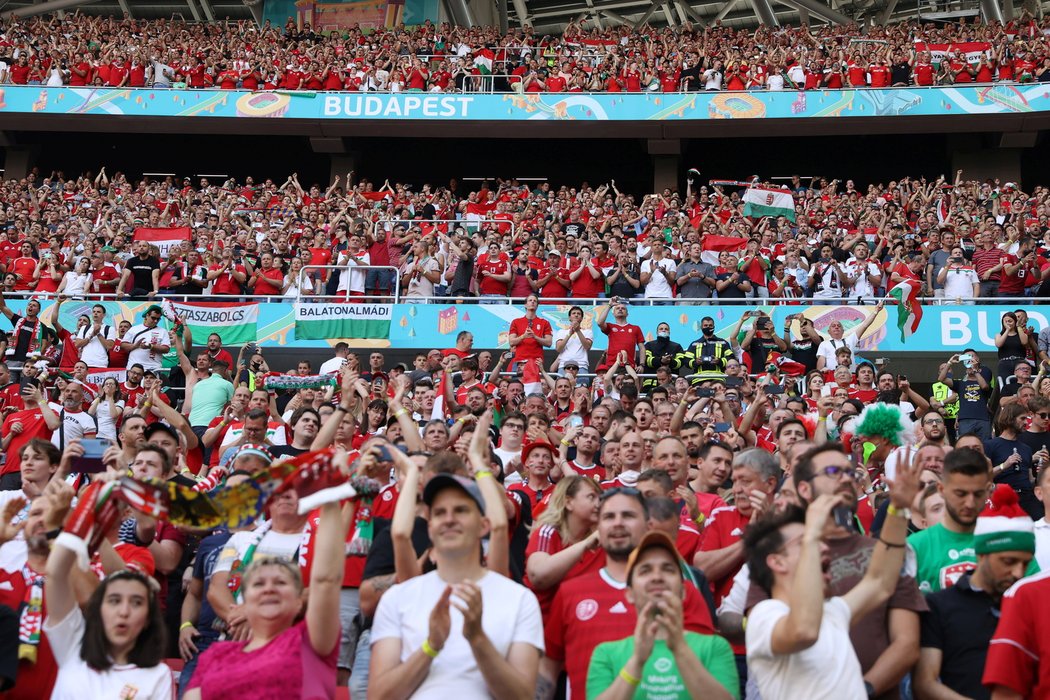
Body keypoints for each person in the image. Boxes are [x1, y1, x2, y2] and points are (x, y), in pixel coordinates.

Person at [743, 443, 920, 700]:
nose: (824, 552)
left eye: (850, 472)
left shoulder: (832, 613)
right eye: (834, 471)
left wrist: (899, 509)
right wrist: (813, 532)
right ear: (777, 563)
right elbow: (804, 629)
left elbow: (881, 581)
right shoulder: (765, 616)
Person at [184, 450, 358, 699]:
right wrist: (244, 615)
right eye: (258, 584)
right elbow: (216, 588)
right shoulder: (240, 539)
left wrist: (332, 485)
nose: (268, 589)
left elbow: (325, 583)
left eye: (280, 582)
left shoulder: (307, 646)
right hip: (231, 637)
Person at [369, 473, 544, 697]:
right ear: (431, 528)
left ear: (483, 525)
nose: (449, 519)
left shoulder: (520, 599)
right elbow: (378, 695)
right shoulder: (397, 597)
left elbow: (523, 696)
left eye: (461, 510)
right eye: (440, 513)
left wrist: (478, 639)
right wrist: (431, 646)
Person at [541, 488, 715, 699]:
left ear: (648, 526)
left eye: (628, 515)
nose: (617, 523)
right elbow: (548, 671)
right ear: (598, 527)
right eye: (608, 517)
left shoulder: (682, 591)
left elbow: (706, 667)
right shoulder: (570, 592)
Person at [44, 479, 173, 699]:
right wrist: (64, 524)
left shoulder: (158, 675)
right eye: (87, 505)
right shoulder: (73, 648)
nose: (123, 611)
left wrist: (90, 525)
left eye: (136, 604)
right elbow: (55, 573)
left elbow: (122, 583)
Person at [916, 484, 1035, 700]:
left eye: (1025, 564)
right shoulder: (940, 605)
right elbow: (925, 683)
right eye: (1008, 562)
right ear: (982, 555)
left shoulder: (1031, 606)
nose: (1018, 572)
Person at [586, 531, 738, 699]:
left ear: (684, 591)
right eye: (645, 570)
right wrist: (636, 661)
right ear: (629, 593)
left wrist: (680, 649)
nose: (657, 577)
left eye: (668, 569)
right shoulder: (606, 653)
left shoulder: (715, 647)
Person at [907, 446, 995, 594]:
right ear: (941, 489)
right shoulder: (915, 547)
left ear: (988, 491)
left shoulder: (1005, 539)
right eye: (960, 494)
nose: (970, 503)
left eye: (978, 494)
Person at [120, 305, 170, 373]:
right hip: (134, 368)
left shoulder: (163, 331)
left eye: (158, 319)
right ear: (147, 315)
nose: (155, 321)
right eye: (153, 318)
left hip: (153, 369)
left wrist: (151, 346)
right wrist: (135, 346)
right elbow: (123, 345)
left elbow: (166, 349)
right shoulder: (134, 329)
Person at [508, 294, 553, 368]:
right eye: (530, 300)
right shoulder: (516, 322)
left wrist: (535, 337)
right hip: (519, 361)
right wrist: (524, 336)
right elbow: (511, 342)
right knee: (516, 380)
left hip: (536, 361)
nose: (532, 302)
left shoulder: (544, 322)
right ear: (525, 305)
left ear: (537, 306)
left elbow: (549, 343)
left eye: (535, 301)